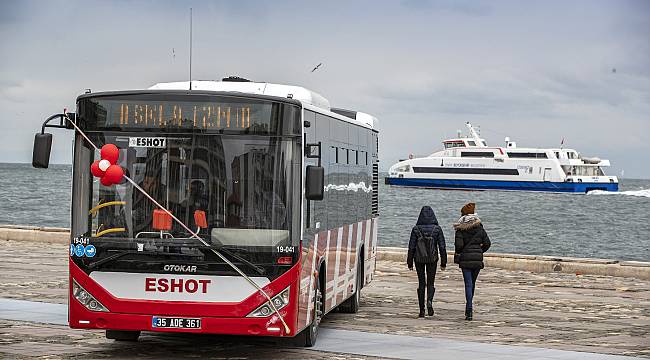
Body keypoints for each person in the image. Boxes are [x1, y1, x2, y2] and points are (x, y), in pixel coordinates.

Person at [407, 206, 447, 318]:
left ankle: (421, 310)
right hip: (432, 259)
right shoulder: (437, 229)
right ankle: (429, 300)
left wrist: (409, 262)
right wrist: (444, 262)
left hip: (418, 259)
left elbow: (411, 247)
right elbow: (442, 247)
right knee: (430, 282)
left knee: (421, 283)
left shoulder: (416, 229)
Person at [453, 202, 491, 321]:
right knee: (472, 284)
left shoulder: (460, 229)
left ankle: (469, 308)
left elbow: (458, 246)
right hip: (477, 259)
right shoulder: (480, 228)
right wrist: (480, 250)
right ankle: (469, 306)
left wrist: (463, 250)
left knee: (468, 284)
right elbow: (488, 244)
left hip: (465, 260)